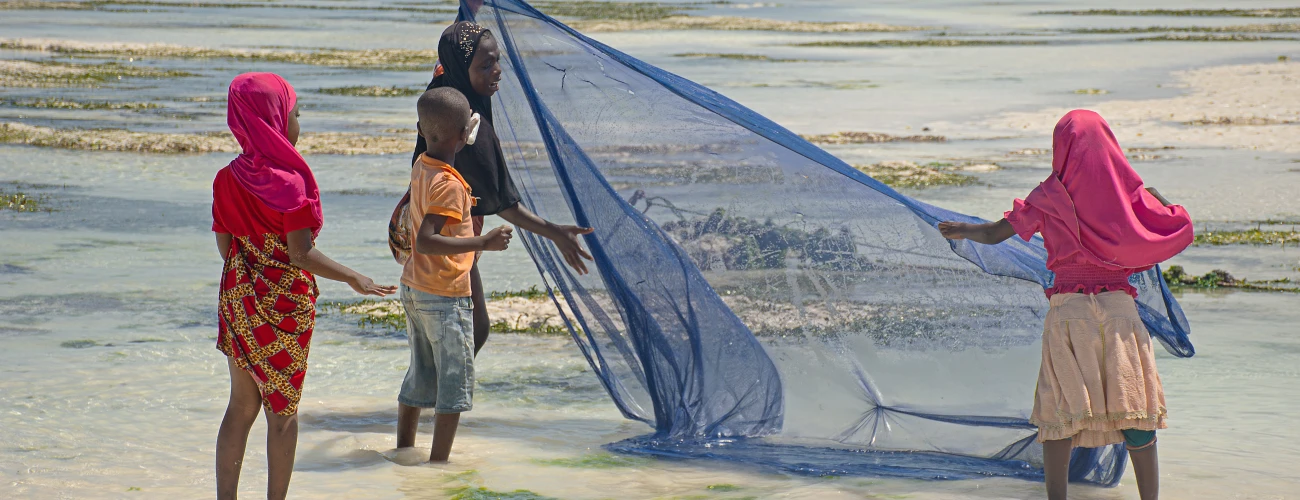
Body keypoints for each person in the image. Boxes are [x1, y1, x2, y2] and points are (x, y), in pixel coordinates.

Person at [937, 110, 1193, 500]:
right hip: (1120, 314)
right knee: (1134, 411)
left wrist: (959, 230)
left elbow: (993, 234)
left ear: (1062, 148)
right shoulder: (1131, 197)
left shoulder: (1048, 197)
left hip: (1070, 315)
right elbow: (1180, 229)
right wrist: (1158, 198)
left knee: (1060, 412)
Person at [212, 72, 396, 500]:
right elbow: (300, 254)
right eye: (295, 113)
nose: (298, 122)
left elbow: (226, 248)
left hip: (239, 297)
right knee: (282, 413)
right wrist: (353, 276)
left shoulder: (225, 178)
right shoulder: (290, 182)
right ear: (274, 119)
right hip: (284, 307)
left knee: (240, 406)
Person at [413, 21, 593, 356]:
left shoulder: (441, 90)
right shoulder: (469, 131)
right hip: (449, 236)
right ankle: (447, 390)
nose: (497, 70)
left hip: (423, 221)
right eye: (485, 65)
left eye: (497, 60)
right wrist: (555, 232)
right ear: (460, 67)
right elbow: (504, 204)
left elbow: (452, 50)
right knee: (472, 330)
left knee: (450, 333)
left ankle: (437, 388)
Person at [396, 87, 513, 462]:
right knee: (453, 384)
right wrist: (484, 242)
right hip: (444, 295)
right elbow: (427, 241)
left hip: (415, 288)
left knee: (420, 374)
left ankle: (403, 451)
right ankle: (438, 466)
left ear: (421, 130)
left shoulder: (422, 167)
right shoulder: (450, 185)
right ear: (466, 135)